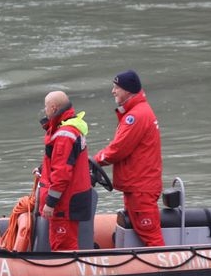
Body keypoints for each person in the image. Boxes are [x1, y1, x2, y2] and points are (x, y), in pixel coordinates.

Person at [94, 70, 165, 247]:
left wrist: (95, 161)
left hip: (141, 187)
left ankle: (167, 270)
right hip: (138, 185)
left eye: (117, 87)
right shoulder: (138, 112)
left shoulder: (136, 116)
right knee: (142, 232)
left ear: (128, 90)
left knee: (151, 237)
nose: (113, 91)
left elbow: (118, 149)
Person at [37, 91, 93, 251]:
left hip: (64, 203)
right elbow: (62, 161)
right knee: (64, 243)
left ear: (54, 107)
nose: (45, 110)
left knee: (63, 246)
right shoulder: (70, 128)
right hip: (71, 198)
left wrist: (50, 203)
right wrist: (43, 169)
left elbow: (61, 174)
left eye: (46, 107)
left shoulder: (64, 135)